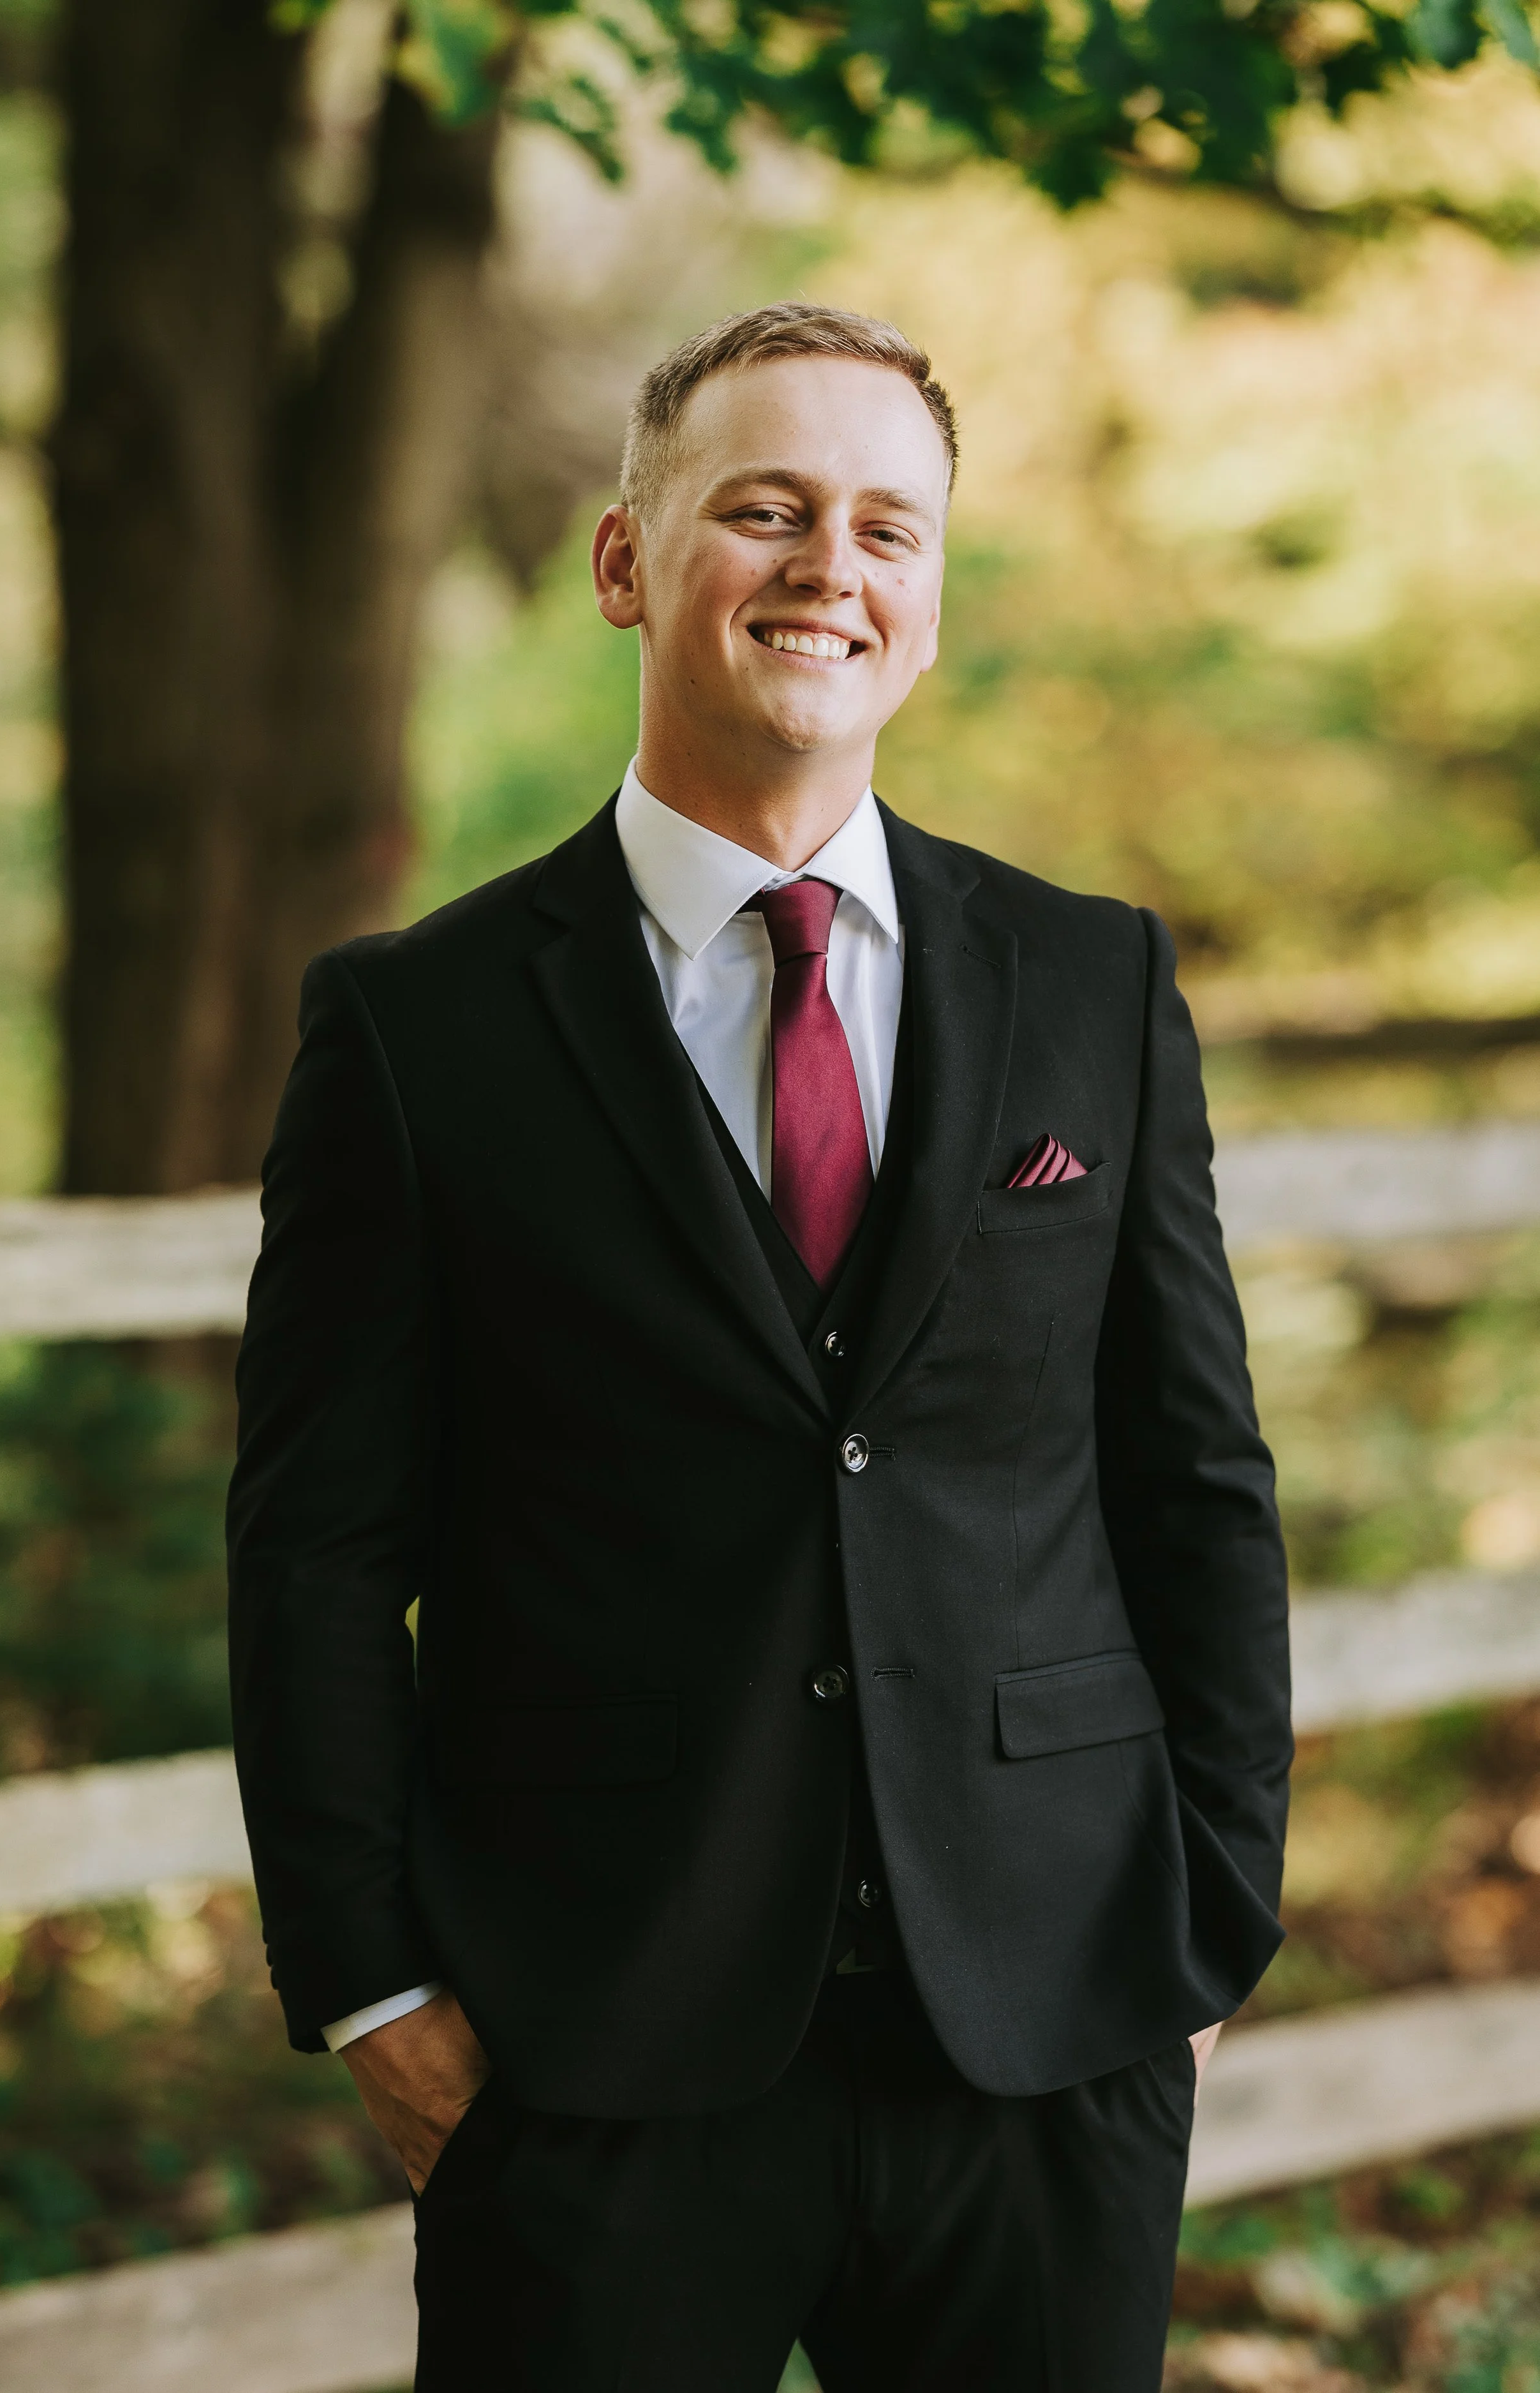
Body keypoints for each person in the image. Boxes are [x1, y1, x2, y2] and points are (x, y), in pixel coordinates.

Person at [227, 301, 1291, 2392]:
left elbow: (1190, 1472)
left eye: (889, 527)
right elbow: (320, 1548)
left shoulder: (1088, 978)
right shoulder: (416, 1031)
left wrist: (1207, 1916)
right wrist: (368, 1983)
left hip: (1046, 2022)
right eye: (766, 510)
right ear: (629, 563)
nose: (831, 569)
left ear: (930, 596)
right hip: (592, 2035)